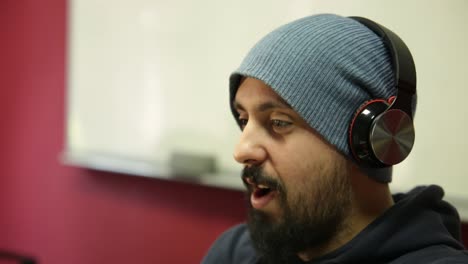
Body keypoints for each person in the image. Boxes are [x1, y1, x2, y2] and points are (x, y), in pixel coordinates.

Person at [202, 14, 468, 264]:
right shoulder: (236, 252)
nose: (241, 150)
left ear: (369, 140)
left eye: (278, 122)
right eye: (244, 120)